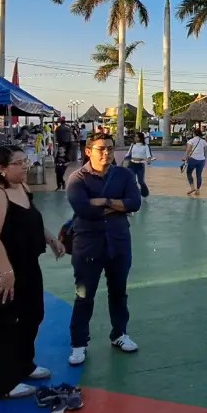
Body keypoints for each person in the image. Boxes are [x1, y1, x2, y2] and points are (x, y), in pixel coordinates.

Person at [0, 146, 66, 399]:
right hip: (3, 268)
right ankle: (0, 383)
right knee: (4, 324)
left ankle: (23, 365)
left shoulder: (22, 188)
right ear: (1, 169)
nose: (25, 166)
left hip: (28, 264)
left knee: (32, 314)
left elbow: (32, 220)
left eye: (25, 161)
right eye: (18, 163)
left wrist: (50, 240)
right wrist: (5, 272)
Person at [66, 132, 143, 366]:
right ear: (88, 151)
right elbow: (83, 209)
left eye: (110, 149)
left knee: (119, 292)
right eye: (101, 149)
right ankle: (79, 343)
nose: (107, 153)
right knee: (84, 295)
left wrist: (104, 201)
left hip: (119, 242)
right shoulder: (77, 178)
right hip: (88, 245)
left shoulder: (124, 175)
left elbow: (135, 203)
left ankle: (119, 334)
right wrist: (118, 205)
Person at [125, 133, 152, 198]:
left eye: (137, 137)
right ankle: (134, 193)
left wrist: (149, 160)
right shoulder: (132, 145)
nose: (135, 138)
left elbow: (148, 155)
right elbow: (128, 153)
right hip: (132, 164)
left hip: (140, 165)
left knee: (141, 181)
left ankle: (145, 193)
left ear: (140, 138)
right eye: (135, 137)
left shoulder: (145, 146)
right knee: (132, 180)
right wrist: (124, 160)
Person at [183, 129, 207, 196]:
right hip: (202, 160)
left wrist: (185, 157)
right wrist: (203, 158)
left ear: (194, 134)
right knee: (199, 175)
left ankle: (192, 188)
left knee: (189, 173)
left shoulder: (191, 141)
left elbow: (188, 150)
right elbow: (205, 151)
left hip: (193, 159)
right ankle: (198, 190)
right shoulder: (204, 141)